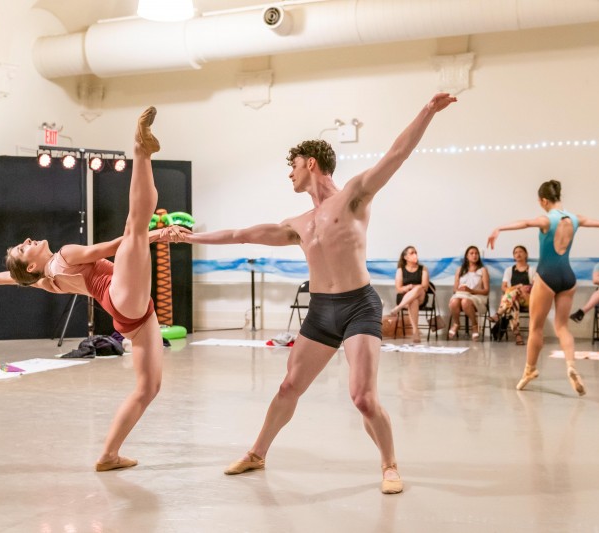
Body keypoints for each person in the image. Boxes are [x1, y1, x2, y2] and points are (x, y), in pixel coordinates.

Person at [185, 93, 457, 494]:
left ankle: (390, 465)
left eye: (292, 167)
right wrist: (188, 235)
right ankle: (258, 453)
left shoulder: (354, 195)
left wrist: (427, 111)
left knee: (362, 397)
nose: (289, 175)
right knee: (288, 387)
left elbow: (397, 155)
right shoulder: (298, 222)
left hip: (359, 307)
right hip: (321, 311)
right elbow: (241, 234)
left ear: (310, 163)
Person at [0, 107, 189, 471]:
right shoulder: (65, 257)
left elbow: (16, 280)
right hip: (123, 298)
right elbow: (115, 245)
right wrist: (156, 234)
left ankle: (108, 455)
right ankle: (140, 149)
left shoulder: (49, 279)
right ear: (32, 263)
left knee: (148, 388)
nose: (27, 240)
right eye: (24, 248)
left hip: (131, 315)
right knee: (136, 225)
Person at [487, 179, 599, 396]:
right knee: (562, 326)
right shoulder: (575, 219)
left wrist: (499, 228)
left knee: (536, 327)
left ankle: (530, 370)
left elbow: (525, 223)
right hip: (567, 277)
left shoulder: (546, 220)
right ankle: (571, 365)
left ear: (544, 200)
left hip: (547, 276)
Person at [489, 245, 536, 345]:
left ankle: (498, 314)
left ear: (526, 254)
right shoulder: (509, 270)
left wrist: (525, 288)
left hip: (527, 299)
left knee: (511, 296)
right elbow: (503, 287)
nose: (518, 254)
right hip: (512, 300)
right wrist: (517, 287)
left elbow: (536, 287)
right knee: (513, 304)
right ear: (514, 256)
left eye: (520, 252)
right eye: (515, 252)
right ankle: (517, 335)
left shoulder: (531, 270)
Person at [387, 245, 430, 343]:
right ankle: (415, 332)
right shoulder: (400, 270)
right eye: (412, 253)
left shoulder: (423, 269)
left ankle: (398, 308)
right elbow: (399, 288)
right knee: (413, 301)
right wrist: (408, 287)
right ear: (405, 257)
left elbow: (425, 286)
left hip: (421, 296)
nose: (415, 255)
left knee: (419, 288)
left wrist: (413, 287)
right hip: (404, 297)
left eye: (416, 253)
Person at [447, 245, 490, 340]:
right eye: (472, 253)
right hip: (461, 294)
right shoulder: (460, 269)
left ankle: (474, 325)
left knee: (465, 301)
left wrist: (470, 291)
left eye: (476, 253)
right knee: (454, 301)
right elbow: (455, 289)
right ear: (467, 256)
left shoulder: (483, 270)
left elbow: (486, 291)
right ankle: (456, 323)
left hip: (477, 296)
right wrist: (461, 289)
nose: (474, 255)